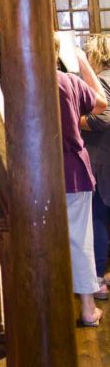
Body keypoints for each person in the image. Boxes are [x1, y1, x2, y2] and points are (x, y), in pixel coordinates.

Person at [55, 35, 107, 326]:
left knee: (43, 240)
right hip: (72, 170)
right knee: (79, 238)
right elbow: (101, 104)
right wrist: (83, 63)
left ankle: (48, 305)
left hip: (34, 173)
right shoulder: (67, 81)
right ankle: (87, 309)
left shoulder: (16, 83)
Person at [79, 35, 110, 300]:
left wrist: (69, 120)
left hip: (101, 159)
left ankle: (98, 279)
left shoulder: (99, 81)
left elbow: (102, 119)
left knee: (97, 217)